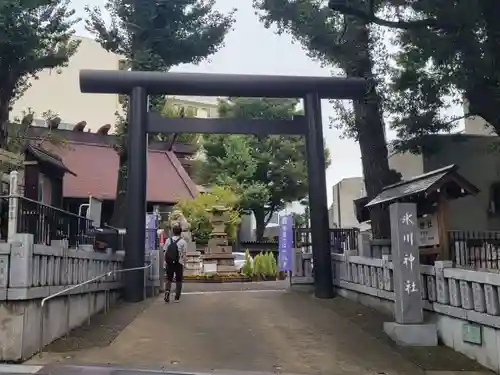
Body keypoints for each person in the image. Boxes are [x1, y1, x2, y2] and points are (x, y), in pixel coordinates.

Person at [163, 224, 187, 303]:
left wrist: (165, 262)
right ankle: (177, 298)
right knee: (179, 280)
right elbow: (184, 254)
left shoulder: (168, 240)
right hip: (179, 263)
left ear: (173, 232)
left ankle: (167, 293)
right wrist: (184, 264)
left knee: (169, 279)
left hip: (169, 262)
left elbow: (165, 252)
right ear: (181, 232)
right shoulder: (183, 242)